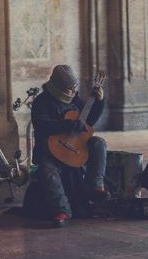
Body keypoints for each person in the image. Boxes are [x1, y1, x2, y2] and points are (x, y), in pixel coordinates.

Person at [31, 65, 108, 227]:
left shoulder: (74, 100)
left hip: (74, 147)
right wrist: (68, 124)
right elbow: (42, 125)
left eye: (74, 89)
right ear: (57, 87)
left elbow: (89, 122)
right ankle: (62, 210)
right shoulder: (41, 102)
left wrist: (99, 101)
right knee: (47, 170)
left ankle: (95, 186)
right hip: (49, 150)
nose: (72, 93)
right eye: (68, 90)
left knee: (99, 143)